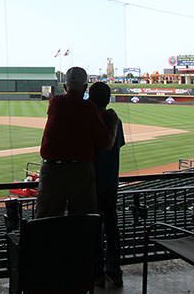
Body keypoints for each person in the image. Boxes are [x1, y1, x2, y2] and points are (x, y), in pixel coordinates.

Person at [34, 67, 117, 218]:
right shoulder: (89, 108)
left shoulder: (55, 103)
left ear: (65, 87)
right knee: (81, 221)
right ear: (85, 87)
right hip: (80, 171)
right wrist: (113, 122)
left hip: (52, 170)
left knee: (46, 221)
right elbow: (106, 144)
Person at [89, 82, 125, 288]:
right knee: (112, 229)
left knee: (93, 230)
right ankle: (114, 272)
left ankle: (96, 274)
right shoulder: (115, 120)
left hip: (90, 183)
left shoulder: (90, 119)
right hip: (110, 183)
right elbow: (116, 146)